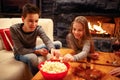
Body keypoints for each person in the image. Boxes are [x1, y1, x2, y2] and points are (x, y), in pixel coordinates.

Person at [10, 3, 62, 75]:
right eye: (30, 21)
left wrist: (52, 49)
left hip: (33, 48)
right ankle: (38, 77)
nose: (34, 24)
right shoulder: (14, 29)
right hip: (20, 53)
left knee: (57, 44)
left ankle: (55, 66)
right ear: (23, 19)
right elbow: (20, 50)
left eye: (36, 21)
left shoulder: (38, 28)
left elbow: (46, 39)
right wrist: (37, 52)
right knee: (33, 58)